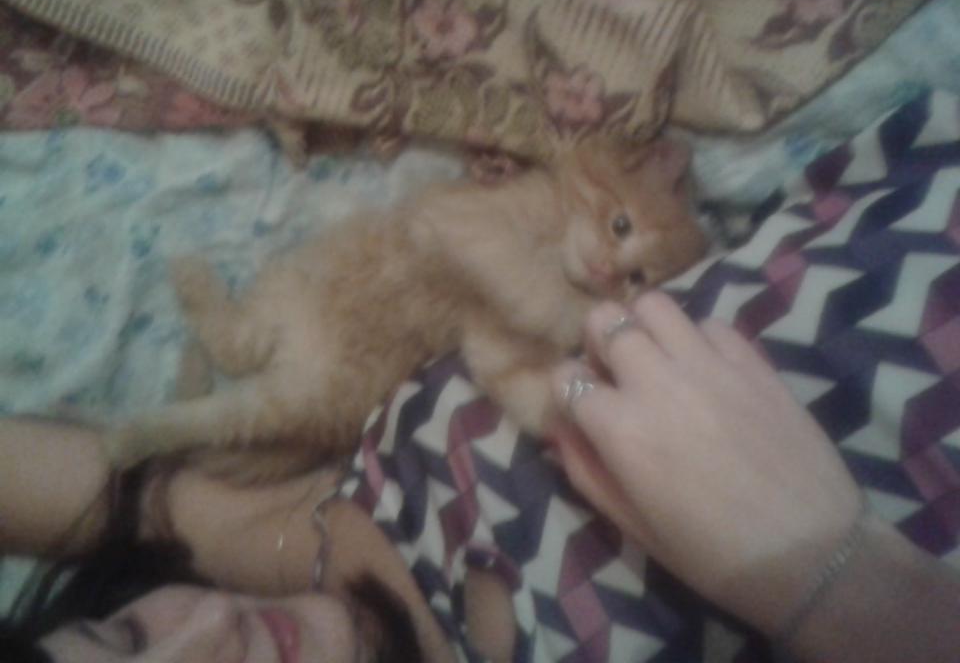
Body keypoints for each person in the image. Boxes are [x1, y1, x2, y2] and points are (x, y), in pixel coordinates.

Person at [2, 293, 959, 662]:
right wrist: (839, 582)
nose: (211, 630)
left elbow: (90, 484)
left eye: (124, 637)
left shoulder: (279, 553)